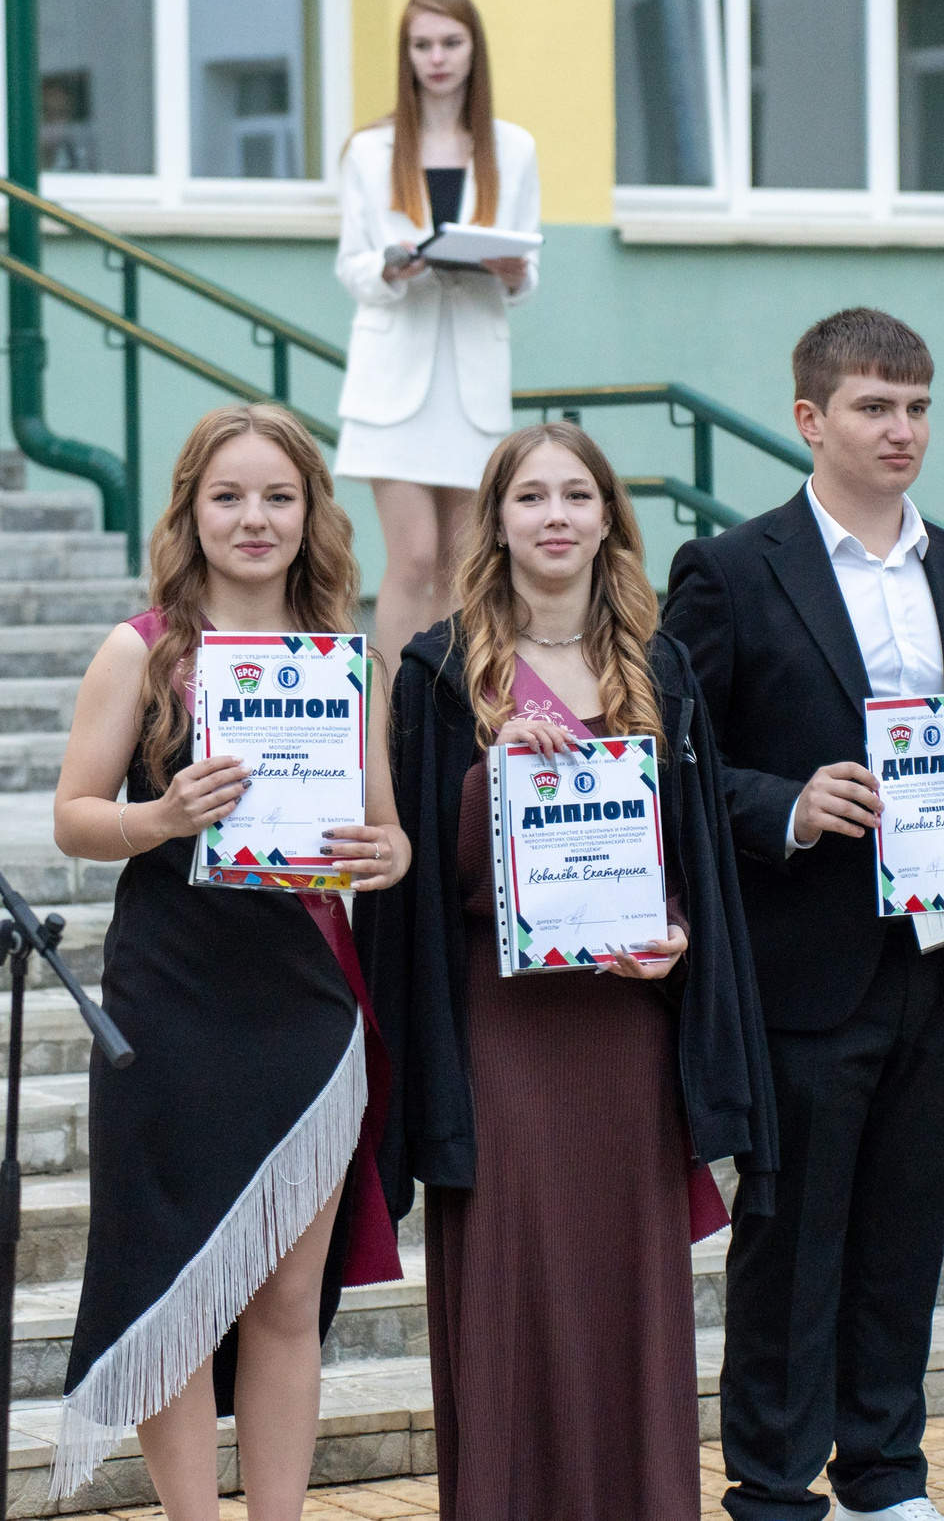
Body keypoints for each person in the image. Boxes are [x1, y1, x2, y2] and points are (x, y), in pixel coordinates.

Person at [663, 308, 944, 1521]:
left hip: (942, 961)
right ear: (809, 420)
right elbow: (674, 768)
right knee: (788, 1244)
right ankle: (774, 1488)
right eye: (875, 407)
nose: (901, 430)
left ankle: (886, 1477)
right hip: (804, 962)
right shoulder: (730, 570)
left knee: (903, 1238)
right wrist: (786, 803)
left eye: (918, 406)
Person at [359, 421, 777, 1521]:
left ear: (607, 518)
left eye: (576, 496)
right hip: (500, 1030)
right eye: (531, 497)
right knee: (512, 1293)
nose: (555, 516)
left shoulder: (660, 666)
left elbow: (685, 850)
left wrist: (678, 932)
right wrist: (490, 786)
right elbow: (410, 889)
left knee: (626, 1301)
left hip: (627, 1028)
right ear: (494, 520)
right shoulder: (443, 669)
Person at [49, 402, 409, 1519]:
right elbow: (71, 816)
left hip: (305, 1006)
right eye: (228, 497)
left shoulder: (348, 663)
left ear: (311, 515)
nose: (253, 519)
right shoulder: (142, 647)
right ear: (190, 512)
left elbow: (387, 838)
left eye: (277, 497)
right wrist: (158, 820)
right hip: (171, 1003)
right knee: (176, 1288)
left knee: (287, 1303)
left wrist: (381, 851)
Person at [333, 0, 540, 658]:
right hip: (393, 379)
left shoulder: (512, 148)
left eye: (450, 42)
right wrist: (391, 268)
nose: (437, 57)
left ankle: (448, 709)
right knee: (414, 556)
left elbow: (526, 263)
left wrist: (513, 271)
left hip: (471, 376)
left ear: (474, 48)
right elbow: (351, 265)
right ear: (407, 54)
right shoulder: (370, 150)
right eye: (422, 45)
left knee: (462, 563)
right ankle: (391, 710)